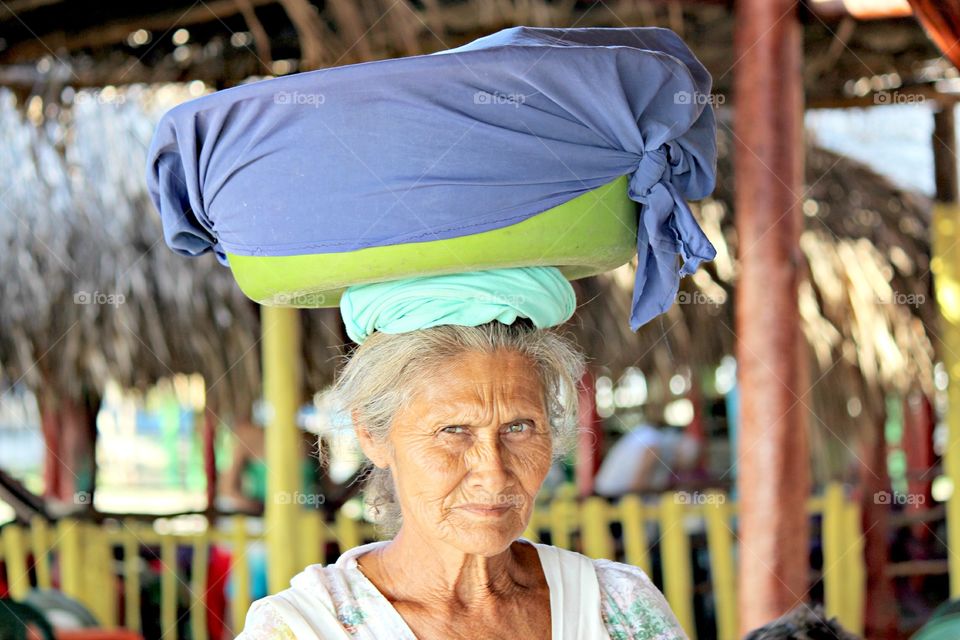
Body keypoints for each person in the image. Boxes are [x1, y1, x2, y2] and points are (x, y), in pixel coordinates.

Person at [237, 269, 688, 639]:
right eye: (453, 431)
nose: (493, 474)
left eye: (518, 427)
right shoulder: (303, 628)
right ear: (372, 434)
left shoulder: (618, 606)